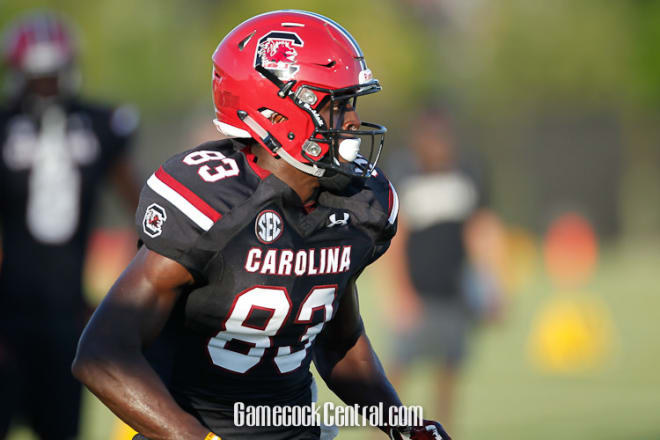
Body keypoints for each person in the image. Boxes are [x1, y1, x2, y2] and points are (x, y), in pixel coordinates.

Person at [72, 10, 450, 440]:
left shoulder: (356, 202)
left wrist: (404, 425)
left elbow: (338, 342)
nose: (350, 122)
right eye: (335, 105)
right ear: (277, 112)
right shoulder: (216, 202)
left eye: (352, 104)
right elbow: (101, 354)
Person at [0, 10, 140, 440]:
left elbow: (148, 215)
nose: (45, 85)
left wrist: (133, 298)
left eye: (52, 75)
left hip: (69, 312)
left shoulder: (101, 124)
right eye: (36, 75)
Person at [385, 105, 506, 430]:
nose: (438, 145)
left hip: (454, 292)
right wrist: (402, 293)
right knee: (393, 378)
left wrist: (493, 286)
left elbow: (480, 230)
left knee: (448, 374)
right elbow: (396, 241)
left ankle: (441, 434)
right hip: (417, 295)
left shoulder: (467, 173)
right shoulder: (403, 175)